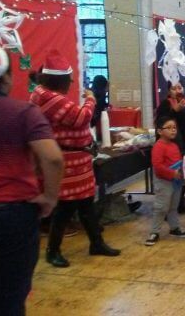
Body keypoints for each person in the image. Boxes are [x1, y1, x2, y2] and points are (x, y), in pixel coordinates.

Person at [30, 50, 120, 267]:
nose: (70, 85)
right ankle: (53, 251)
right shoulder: (48, 98)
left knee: (86, 204)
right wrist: (91, 100)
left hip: (77, 160)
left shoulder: (44, 95)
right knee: (65, 208)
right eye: (68, 81)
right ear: (59, 80)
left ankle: (96, 243)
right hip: (68, 160)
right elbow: (81, 118)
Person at [0, 45, 64, 315]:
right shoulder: (23, 112)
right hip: (13, 214)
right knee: (10, 294)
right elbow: (53, 158)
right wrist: (50, 197)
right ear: (8, 77)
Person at [145, 117, 185, 246]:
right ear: (160, 131)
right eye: (169, 127)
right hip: (163, 182)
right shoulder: (158, 146)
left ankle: (174, 228)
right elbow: (158, 167)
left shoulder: (174, 145)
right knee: (161, 207)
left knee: (173, 206)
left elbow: (177, 162)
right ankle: (154, 232)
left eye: (174, 127)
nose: (173, 130)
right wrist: (172, 173)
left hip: (175, 181)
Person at [156, 81, 185, 215]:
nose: (177, 90)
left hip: (184, 143)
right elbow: (162, 122)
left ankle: (180, 204)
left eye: (180, 87)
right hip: (171, 144)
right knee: (170, 178)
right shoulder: (166, 104)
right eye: (174, 88)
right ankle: (168, 209)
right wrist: (174, 110)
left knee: (183, 174)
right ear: (169, 91)